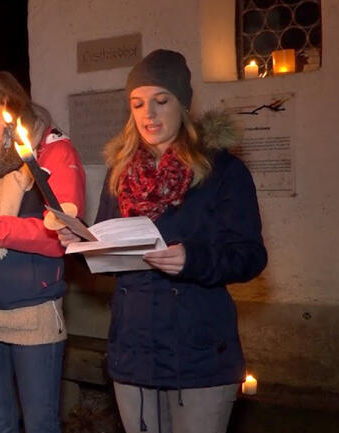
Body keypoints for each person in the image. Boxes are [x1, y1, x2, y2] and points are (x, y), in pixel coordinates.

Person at [57, 49, 267, 433]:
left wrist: (194, 259)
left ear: (183, 104)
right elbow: (107, 253)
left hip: (200, 352)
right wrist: (79, 242)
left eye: (161, 101)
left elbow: (250, 256)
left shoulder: (222, 171)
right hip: (134, 349)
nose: (148, 115)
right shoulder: (119, 172)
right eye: (137, 104)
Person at [0, 71, 86, 433]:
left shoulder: (54, 152)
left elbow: (60, 235)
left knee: (40, 423)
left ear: (13, 108)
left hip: (32, 309)